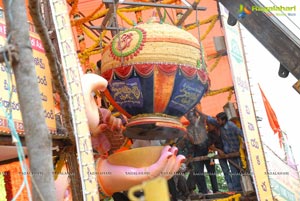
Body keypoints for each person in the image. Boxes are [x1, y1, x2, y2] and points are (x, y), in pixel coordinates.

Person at [186, 110, 219, 194]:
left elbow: (204, 116)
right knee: (199, 173)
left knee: (212, 171)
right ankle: (204, 191)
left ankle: (216, 190)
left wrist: (196, 110)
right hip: (197, 151)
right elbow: (192, 142)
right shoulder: (188, 128)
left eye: (192, 117)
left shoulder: (201, 122)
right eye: (189, 118)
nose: (191, 120)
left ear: (196, 117)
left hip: (209, 151)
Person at [216, 112, 243, 192]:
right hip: (228, 152)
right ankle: (236, 189)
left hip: (236, 151)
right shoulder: (221, 127)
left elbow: (241, 133)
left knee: (239, 170)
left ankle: (239, 188)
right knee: (233, 170)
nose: (217, 122)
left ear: (223, 120)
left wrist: (244, 144)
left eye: (218, 120)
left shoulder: (231, 126)